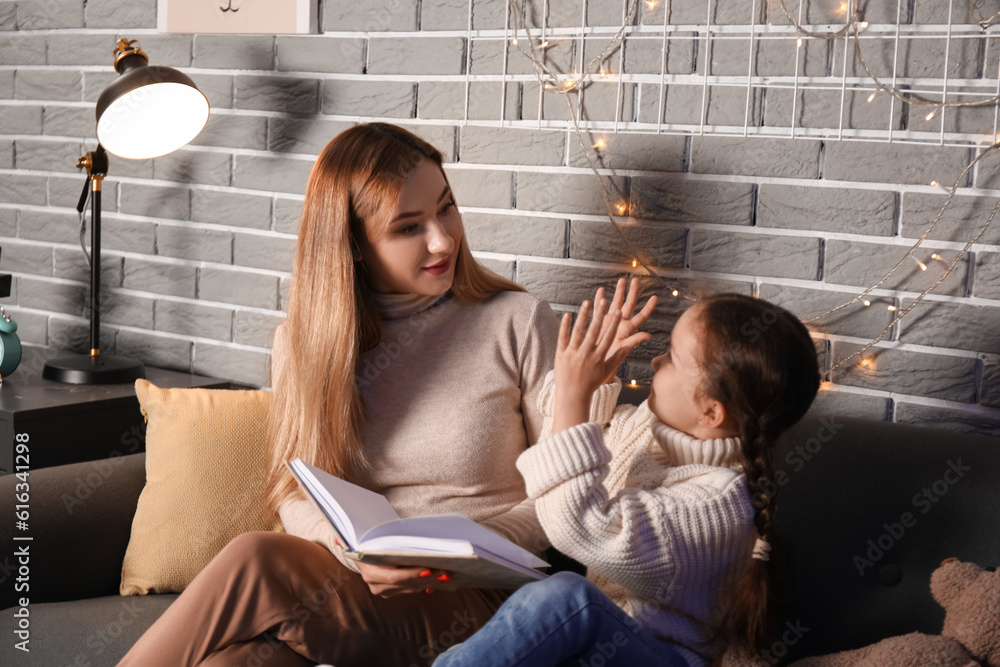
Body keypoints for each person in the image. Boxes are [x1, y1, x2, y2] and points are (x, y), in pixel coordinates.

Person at [117, 122, 565, 667]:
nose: (443, 239)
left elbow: (563, 497)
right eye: (408, 228)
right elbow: (293, 491)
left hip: (482, 604)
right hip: (353, 590)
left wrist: (461, 546)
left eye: (445, 208)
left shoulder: (516, 322)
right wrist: (348, 552)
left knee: (257, 559)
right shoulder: (303, 345)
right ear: (351, 247)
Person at [433, 282, 821, 667]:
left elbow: (575, 521)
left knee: (568, 598)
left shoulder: (717, 508)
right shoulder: (647, 430)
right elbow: (570, 455)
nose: (655, 362)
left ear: (710, 412)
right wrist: (595, 382)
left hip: (665, 659)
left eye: (670, 357)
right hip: (601, 650)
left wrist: (574, 392)